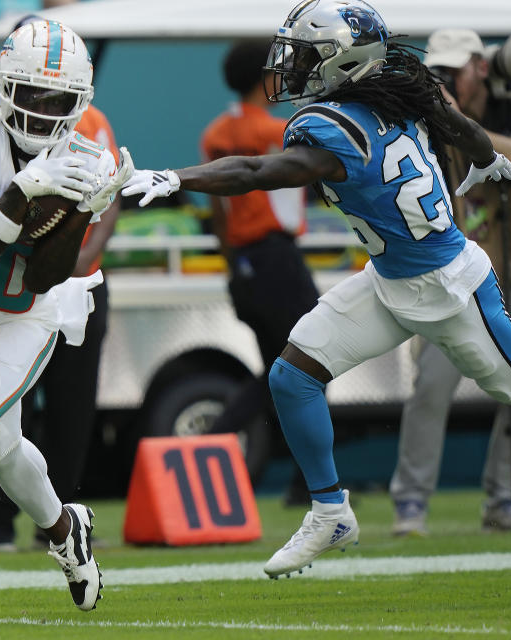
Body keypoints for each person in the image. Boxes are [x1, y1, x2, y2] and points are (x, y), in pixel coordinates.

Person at [121, 0, 511, 579]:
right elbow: (459, 127)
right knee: (293, 375)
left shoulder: (330, 129)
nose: (291, 67)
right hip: (390, 277)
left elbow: (256, 173)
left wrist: (176, 178)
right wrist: (486, 157)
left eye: (305, 56)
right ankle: (329, 511)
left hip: (448, 288)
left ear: (341, 63)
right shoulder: (403, 88)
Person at [0, 19, 132, 611]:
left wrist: (83, 208)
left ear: (80, 102)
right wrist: (24, 191)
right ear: (2, 86)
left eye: (56, 98)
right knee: (3, 446)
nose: (40, 109)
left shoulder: (86, 156)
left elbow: (41, 276)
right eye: (29, 92)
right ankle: (66, 533)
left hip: (26, 314)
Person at [389, 28, 511, 535]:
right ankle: (411, 504)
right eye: (436, 71)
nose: (445, 81)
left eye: (454, 70)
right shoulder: (430, 118)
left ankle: (504, 501)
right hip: (457, 272)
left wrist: (452, 118)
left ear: (481, 67)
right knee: (432, 384)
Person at [200, 39, 318, 502]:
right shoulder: (279, 132)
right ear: (263, 77)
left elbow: (218, 215)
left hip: (246, 263)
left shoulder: (215, 134)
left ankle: (219, 448)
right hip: (279, 257)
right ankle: (304, 480)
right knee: (308, 363)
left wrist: (235, 267)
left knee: (279, 368)